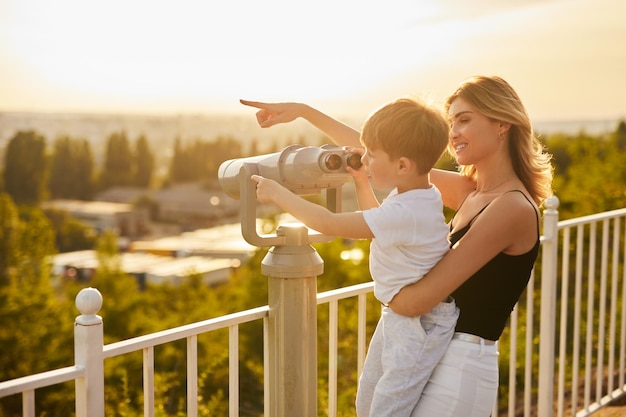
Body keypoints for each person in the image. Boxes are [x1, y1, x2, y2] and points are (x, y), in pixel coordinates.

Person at [241, 75, 553, 416]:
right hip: (431, 349)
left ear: (502, 124)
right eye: (451, 123)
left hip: (460, 365)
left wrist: (389, 289)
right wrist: (305, 111)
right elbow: (388, 155)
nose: (454, 133)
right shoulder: (473, 192)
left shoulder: (511, 207)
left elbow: (416, 301)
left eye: (465, 120)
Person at [250, 97, 460, 417]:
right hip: (402, 316)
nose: (365, 159)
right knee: (367, 403)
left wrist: (278, 194)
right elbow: (380, 222)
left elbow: (329, 223)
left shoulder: (408, 210)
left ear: (403, 166)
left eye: (372, 156)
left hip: (421, 325)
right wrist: (363, 181)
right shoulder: (418, 194)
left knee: (388, 410)